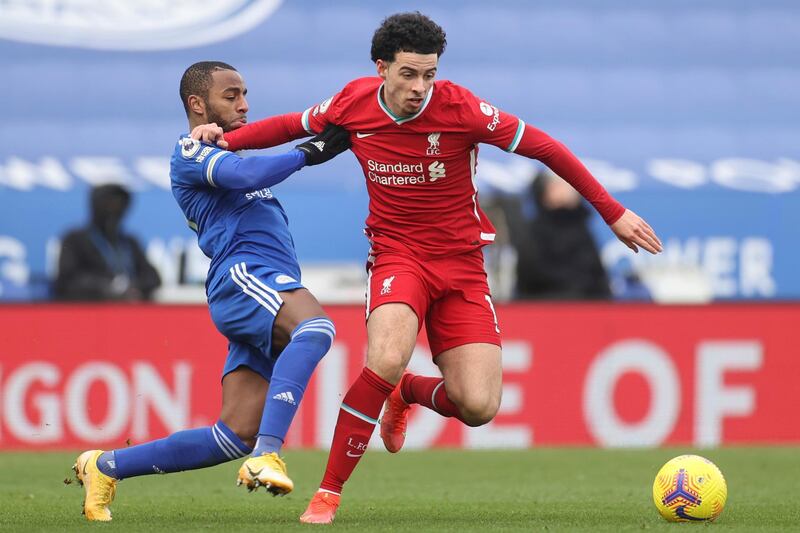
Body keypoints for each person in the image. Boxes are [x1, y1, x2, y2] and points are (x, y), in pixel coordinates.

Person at [194, 12, 663, 524]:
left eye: (429, 74)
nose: (420, 88)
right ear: (382, 69)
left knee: (478, 406)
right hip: (398, 254)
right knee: (387, 356)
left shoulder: (461, 109)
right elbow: (292, 126)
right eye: (409, 74)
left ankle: (409, 392)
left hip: (462, 264)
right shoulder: (353, 102)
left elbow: (544, 146)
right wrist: (223, 142)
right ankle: (328, 493)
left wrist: (612, 211)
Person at [72, 61, 351, 521]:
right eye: (231, 95)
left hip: (257, 286)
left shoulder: (225, 153)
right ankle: (267, 453)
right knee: (315, 328)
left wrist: (323, 131)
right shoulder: (189, 150)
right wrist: (309, 153)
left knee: (230, 434)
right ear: (197, 104)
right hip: (244, 276)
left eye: (245, 94)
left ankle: (104, 466)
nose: (243, 104)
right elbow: (245, 178)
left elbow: (257, 156)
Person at [513, 169, 613, 300]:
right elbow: (528, 279)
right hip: (543, 308)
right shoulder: (534, 232)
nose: (569, 191)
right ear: (544, 192)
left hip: (587, 308)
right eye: (559, 186)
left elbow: (598, 277)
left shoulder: (582, 229)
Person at [54, 183, 161, 301]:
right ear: (96, 205)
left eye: (120, 205)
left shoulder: (129, 242)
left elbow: (153, 277)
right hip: (90, 311)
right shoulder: (75, 240)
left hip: (130, 311)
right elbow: (67, 281)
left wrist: (133, 287)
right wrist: (106, 287)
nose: (115, 210)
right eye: (109, 204)